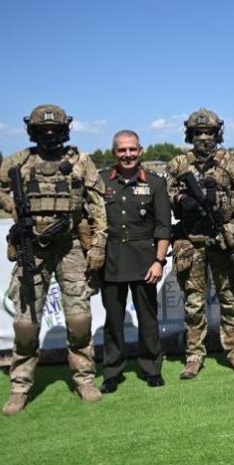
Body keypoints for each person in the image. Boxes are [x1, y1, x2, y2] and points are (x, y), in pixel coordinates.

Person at [0, 104, 107, 415]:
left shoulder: (80, 161)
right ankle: (20, 386)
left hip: (71, 247)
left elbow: (98, 206)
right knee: (26, 324)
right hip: (33, 248)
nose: (50, 134)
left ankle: (84, 379)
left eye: (55, 129)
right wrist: (10, 203)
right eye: (43, 130)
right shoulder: (18, 162)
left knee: (79, 321)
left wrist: (98, 246)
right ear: (33, 131)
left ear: (65, 130)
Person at [166, 108, 234, 379]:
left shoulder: (231, 164)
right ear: (190, 134)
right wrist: (181, 200)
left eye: (209, 132)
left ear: (218, 134)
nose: (203, 138)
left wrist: (231, 229)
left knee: (229, 300)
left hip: (221, 240)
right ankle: (194, 356)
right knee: (193, 304)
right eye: (198, 133)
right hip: (191, 242)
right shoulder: (179, 164)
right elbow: (165, 196)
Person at [98, 130, 171, 393]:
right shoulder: (100, 181)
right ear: (114, 152)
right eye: (122, 150)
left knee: (148, 319)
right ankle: (112, 372)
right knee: (113, 320)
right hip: (111, 260)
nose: (127, 154)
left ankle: (152, 368)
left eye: (132, 149)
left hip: (144, 261)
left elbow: (163, 226)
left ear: (140, 151)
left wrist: (159, 261)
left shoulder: (155, 183)